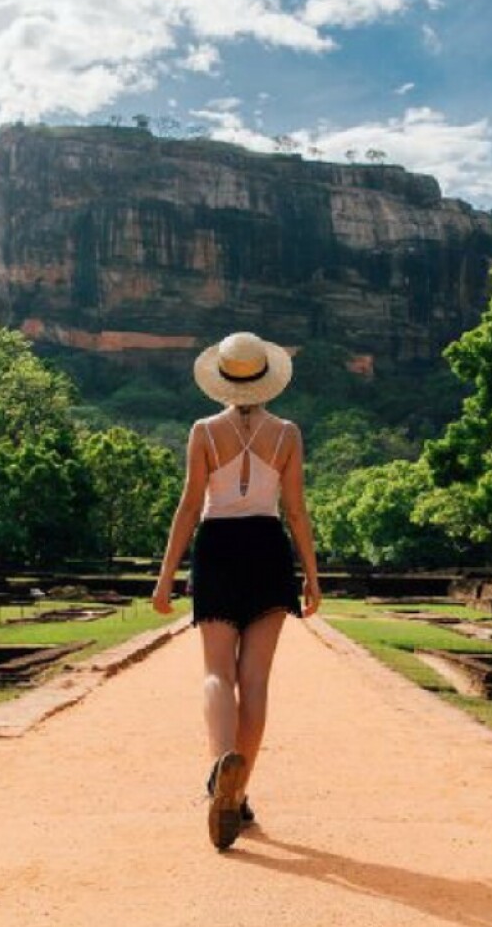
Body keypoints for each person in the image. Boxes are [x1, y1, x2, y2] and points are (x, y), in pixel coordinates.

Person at [151, 331, 323, 852]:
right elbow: (295, 511)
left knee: (215, 673)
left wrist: (164, 578)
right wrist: (313, 576)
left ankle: (219, 772)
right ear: (266, 378)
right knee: (256, 680)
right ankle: (239, 790)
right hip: (268, 547)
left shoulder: (203, 431)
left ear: (223, 378)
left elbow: (188, 506)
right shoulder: (287, 434)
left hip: (218, 547)